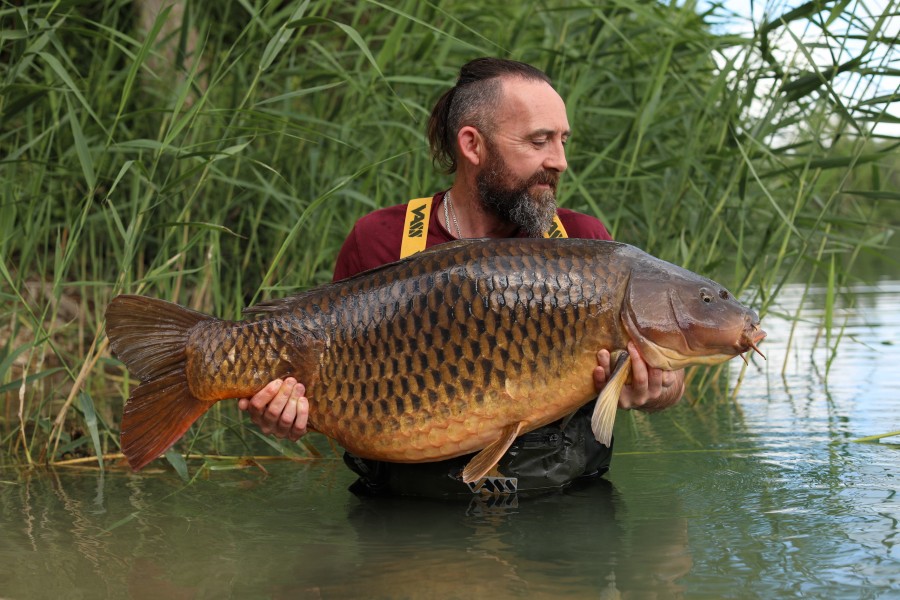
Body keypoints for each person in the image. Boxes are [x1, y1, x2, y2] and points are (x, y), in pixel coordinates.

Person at [238, 58, 685, 497]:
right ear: (473, 145)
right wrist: (287, 412)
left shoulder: (586, 243)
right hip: (406, 523)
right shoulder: (381, 238)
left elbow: (667, 376)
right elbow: (317, 380)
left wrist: (659, 389)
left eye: (563, 140)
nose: (560, 161)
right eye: (539, 141)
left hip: (558, 517)